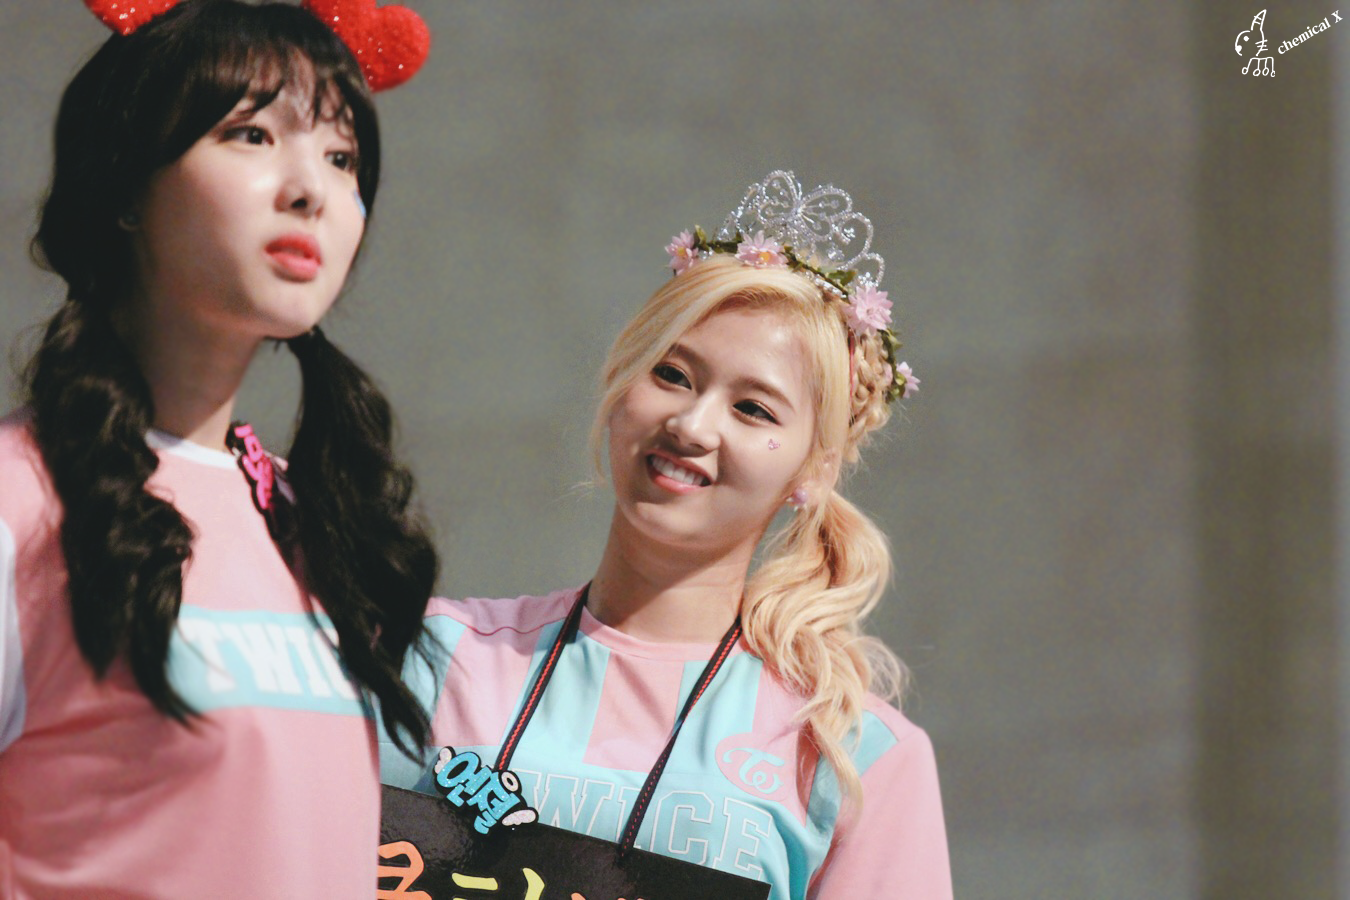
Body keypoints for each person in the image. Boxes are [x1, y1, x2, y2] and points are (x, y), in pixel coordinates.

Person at [381, 171, 951, 898]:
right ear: (622, 383)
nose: (691, 424)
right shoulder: (428, 658)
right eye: (674, 374)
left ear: (814, 468)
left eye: (753, 409)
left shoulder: (853, 756)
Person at [0, 1, 435, 895]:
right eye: (251, 135)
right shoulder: (20, 502)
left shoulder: (314, 525)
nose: (311, 189)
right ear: (126, 184)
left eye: (343, 157)